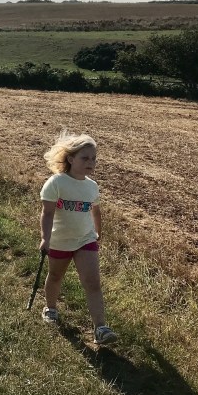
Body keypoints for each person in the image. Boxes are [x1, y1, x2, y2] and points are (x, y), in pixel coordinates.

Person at [38, 131, 117, 345]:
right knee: (55, 276)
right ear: (71, 159)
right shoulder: (56, 183)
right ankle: (50, 308)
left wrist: (98, 232)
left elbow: (96, 211)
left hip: (85, 240)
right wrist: (45, 238)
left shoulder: (92, 186)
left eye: (94, 158)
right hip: (60, 241)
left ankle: (100, 328)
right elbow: (47, 213)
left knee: (93, 283)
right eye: (85, 158)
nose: (91, 162)